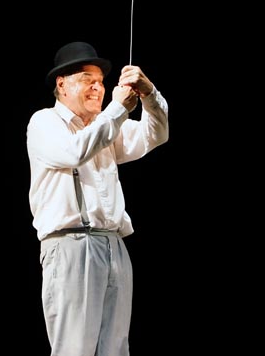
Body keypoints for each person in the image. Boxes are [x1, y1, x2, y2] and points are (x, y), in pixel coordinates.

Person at [26, 41, 169, 355]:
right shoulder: (44, 123)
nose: (98, 88)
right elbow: (75, 152)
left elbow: (155, 135)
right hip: (71, 245)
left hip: (113, 244)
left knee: (115, 348)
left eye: (101, 81)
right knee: (74, 348)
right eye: (87, 80)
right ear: (62, 85)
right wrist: (117, 110)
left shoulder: (105, 126)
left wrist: (149, 94)